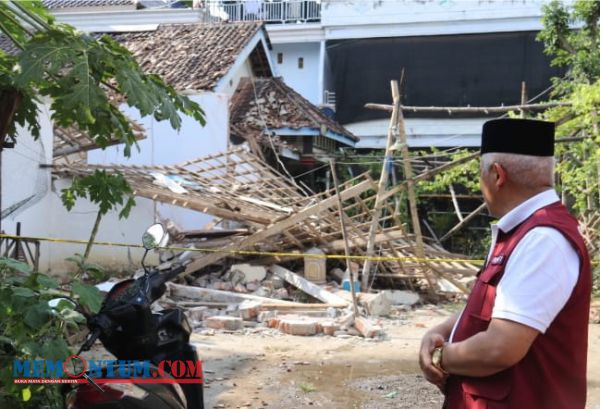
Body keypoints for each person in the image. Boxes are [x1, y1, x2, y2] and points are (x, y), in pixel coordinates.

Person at [419, 118, 592, 409]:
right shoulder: (521, 232)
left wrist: (441, 357)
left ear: (497, 175)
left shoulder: (543, 240)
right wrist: (441, 330)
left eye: (480, 174)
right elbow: (491, 306)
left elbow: (500, 347)